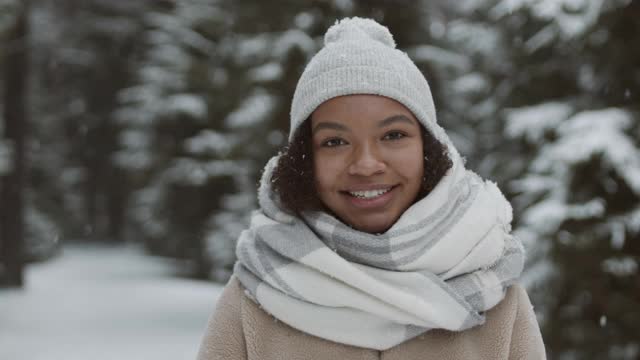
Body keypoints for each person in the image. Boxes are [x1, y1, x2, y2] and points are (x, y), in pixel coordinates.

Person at [197, 17, 546, 360]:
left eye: (393, 135)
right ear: (305, 159)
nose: (366, 164)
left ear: (428, 148)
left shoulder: (492, 285)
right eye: (334, 141)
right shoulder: (255, 293)